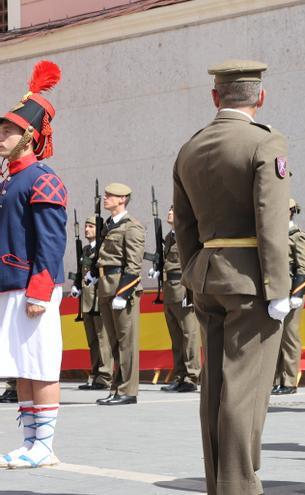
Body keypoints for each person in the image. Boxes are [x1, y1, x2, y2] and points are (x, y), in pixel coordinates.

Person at [173, 59, 291, 495]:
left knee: (215, 386)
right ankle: (240, 486)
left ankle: (219, 481)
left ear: (214, 97)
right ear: (260, 97)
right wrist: (278, 287)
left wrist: (192, 273)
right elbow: (271, 220)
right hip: (251, 280)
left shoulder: (191, 147)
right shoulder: (265, 142)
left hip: (207, 276)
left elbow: (183, 225)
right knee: (245, 388)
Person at [0, 60, 67, 468]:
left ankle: (44, 445)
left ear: (28, 136)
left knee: (40, 365)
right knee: (21, 365)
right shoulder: (10, 179)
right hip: (11, 284)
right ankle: (30, 442)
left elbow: (52, 241)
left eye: (8, 130)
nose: (1, 135)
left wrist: (40, 290)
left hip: (31, 286)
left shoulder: (43, 178)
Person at [94, 182, 145, 406]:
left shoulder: (131, 227)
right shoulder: (109, 225)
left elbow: (134, 265)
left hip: (121, 288)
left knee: (126, 343)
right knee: (114, 342)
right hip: (106, 286)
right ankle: (117, 388)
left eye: (110, 196)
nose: (105, 198)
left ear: (122, 199)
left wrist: (123, 293)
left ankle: (128, 390)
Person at [154, 206, 200, 393]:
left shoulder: (188, 236)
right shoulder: (169, 237)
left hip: (183, 289)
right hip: (170, 290)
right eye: (169, 209)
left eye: (174, 210)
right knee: (177, 337)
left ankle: (192, 376)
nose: (170, 212)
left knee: (190, 335)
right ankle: (180, 375)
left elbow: (194, 263)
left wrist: (190, 291)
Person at [272, 198, 305, 395]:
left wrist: (297, 294)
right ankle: (276, 379)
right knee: (275, 336)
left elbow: (303, 266)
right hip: (275, 289)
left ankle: (288, 381)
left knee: (289, 336)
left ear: (290, 211)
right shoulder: (274, 234)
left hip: (290, 290)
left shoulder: (297, 236)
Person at [72, 215, 113, 391]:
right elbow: (80, 272)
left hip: (98, 300)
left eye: (90, 226)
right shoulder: (86, 249)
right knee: (93, 341)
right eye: (86, 226)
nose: (86, 229)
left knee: (103, 339)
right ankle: (95, 374)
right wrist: (76, 285)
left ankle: (105, 377)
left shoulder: (103, 249)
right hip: (87, 301)